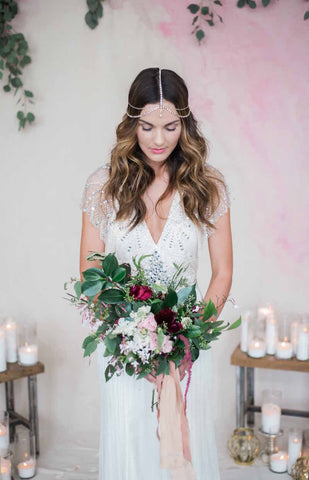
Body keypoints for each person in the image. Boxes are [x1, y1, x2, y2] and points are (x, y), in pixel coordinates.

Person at [79, 67, 233, 480]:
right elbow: (90, 275)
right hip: (124, 349)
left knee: (186, 445)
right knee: (132, 444)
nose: (159, 139)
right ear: (132, 124)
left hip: (189, 352)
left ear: (185, 123)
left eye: (170, 126)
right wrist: (131, 340)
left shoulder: (208, 185)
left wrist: (189, 341)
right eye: (147, 126)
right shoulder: (104, 186)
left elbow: (222, 274)